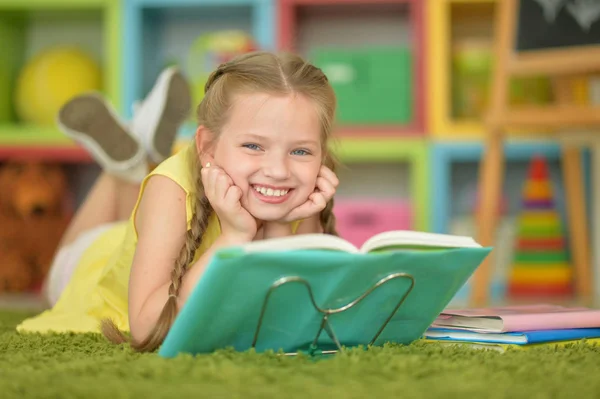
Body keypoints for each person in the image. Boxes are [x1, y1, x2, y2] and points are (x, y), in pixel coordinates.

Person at [17, 51, 341, 353]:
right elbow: (147, 329)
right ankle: (124, 169)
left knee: (140, 202)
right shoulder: (171, 190)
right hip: (99, 261)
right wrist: (232, 237)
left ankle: (133, 162)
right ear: (207, 147)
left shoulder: (301, 201)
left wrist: (280, 228)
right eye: (254, 146)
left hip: (153, 238)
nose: (278, 171)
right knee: (53, 282)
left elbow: (288, 316)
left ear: (322, 156)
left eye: (300, 151)